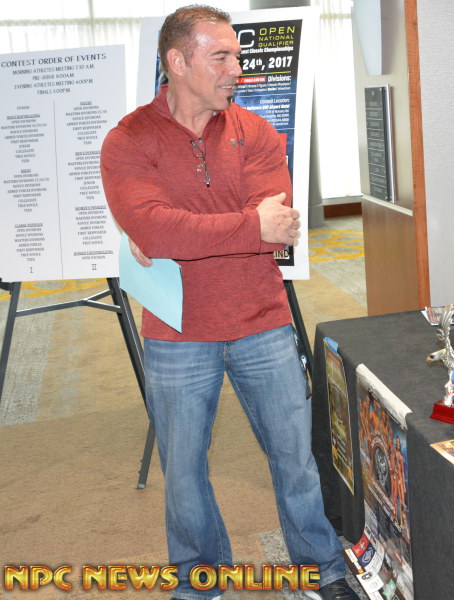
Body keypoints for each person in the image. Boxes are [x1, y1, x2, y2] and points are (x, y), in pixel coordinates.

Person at [100, 6, 358, 600]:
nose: (237, 69)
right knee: (184, 474)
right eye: (221, 57)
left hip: (263, 322)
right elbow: (158, 229)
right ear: (177, 61)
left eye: (237, 56)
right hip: (177, 332)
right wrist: (239, 225)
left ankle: (323, 571)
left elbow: (276, 226)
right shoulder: (128, 140)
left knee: (295, 460)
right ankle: (200, 582)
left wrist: (176, 230)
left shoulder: (257, 132)